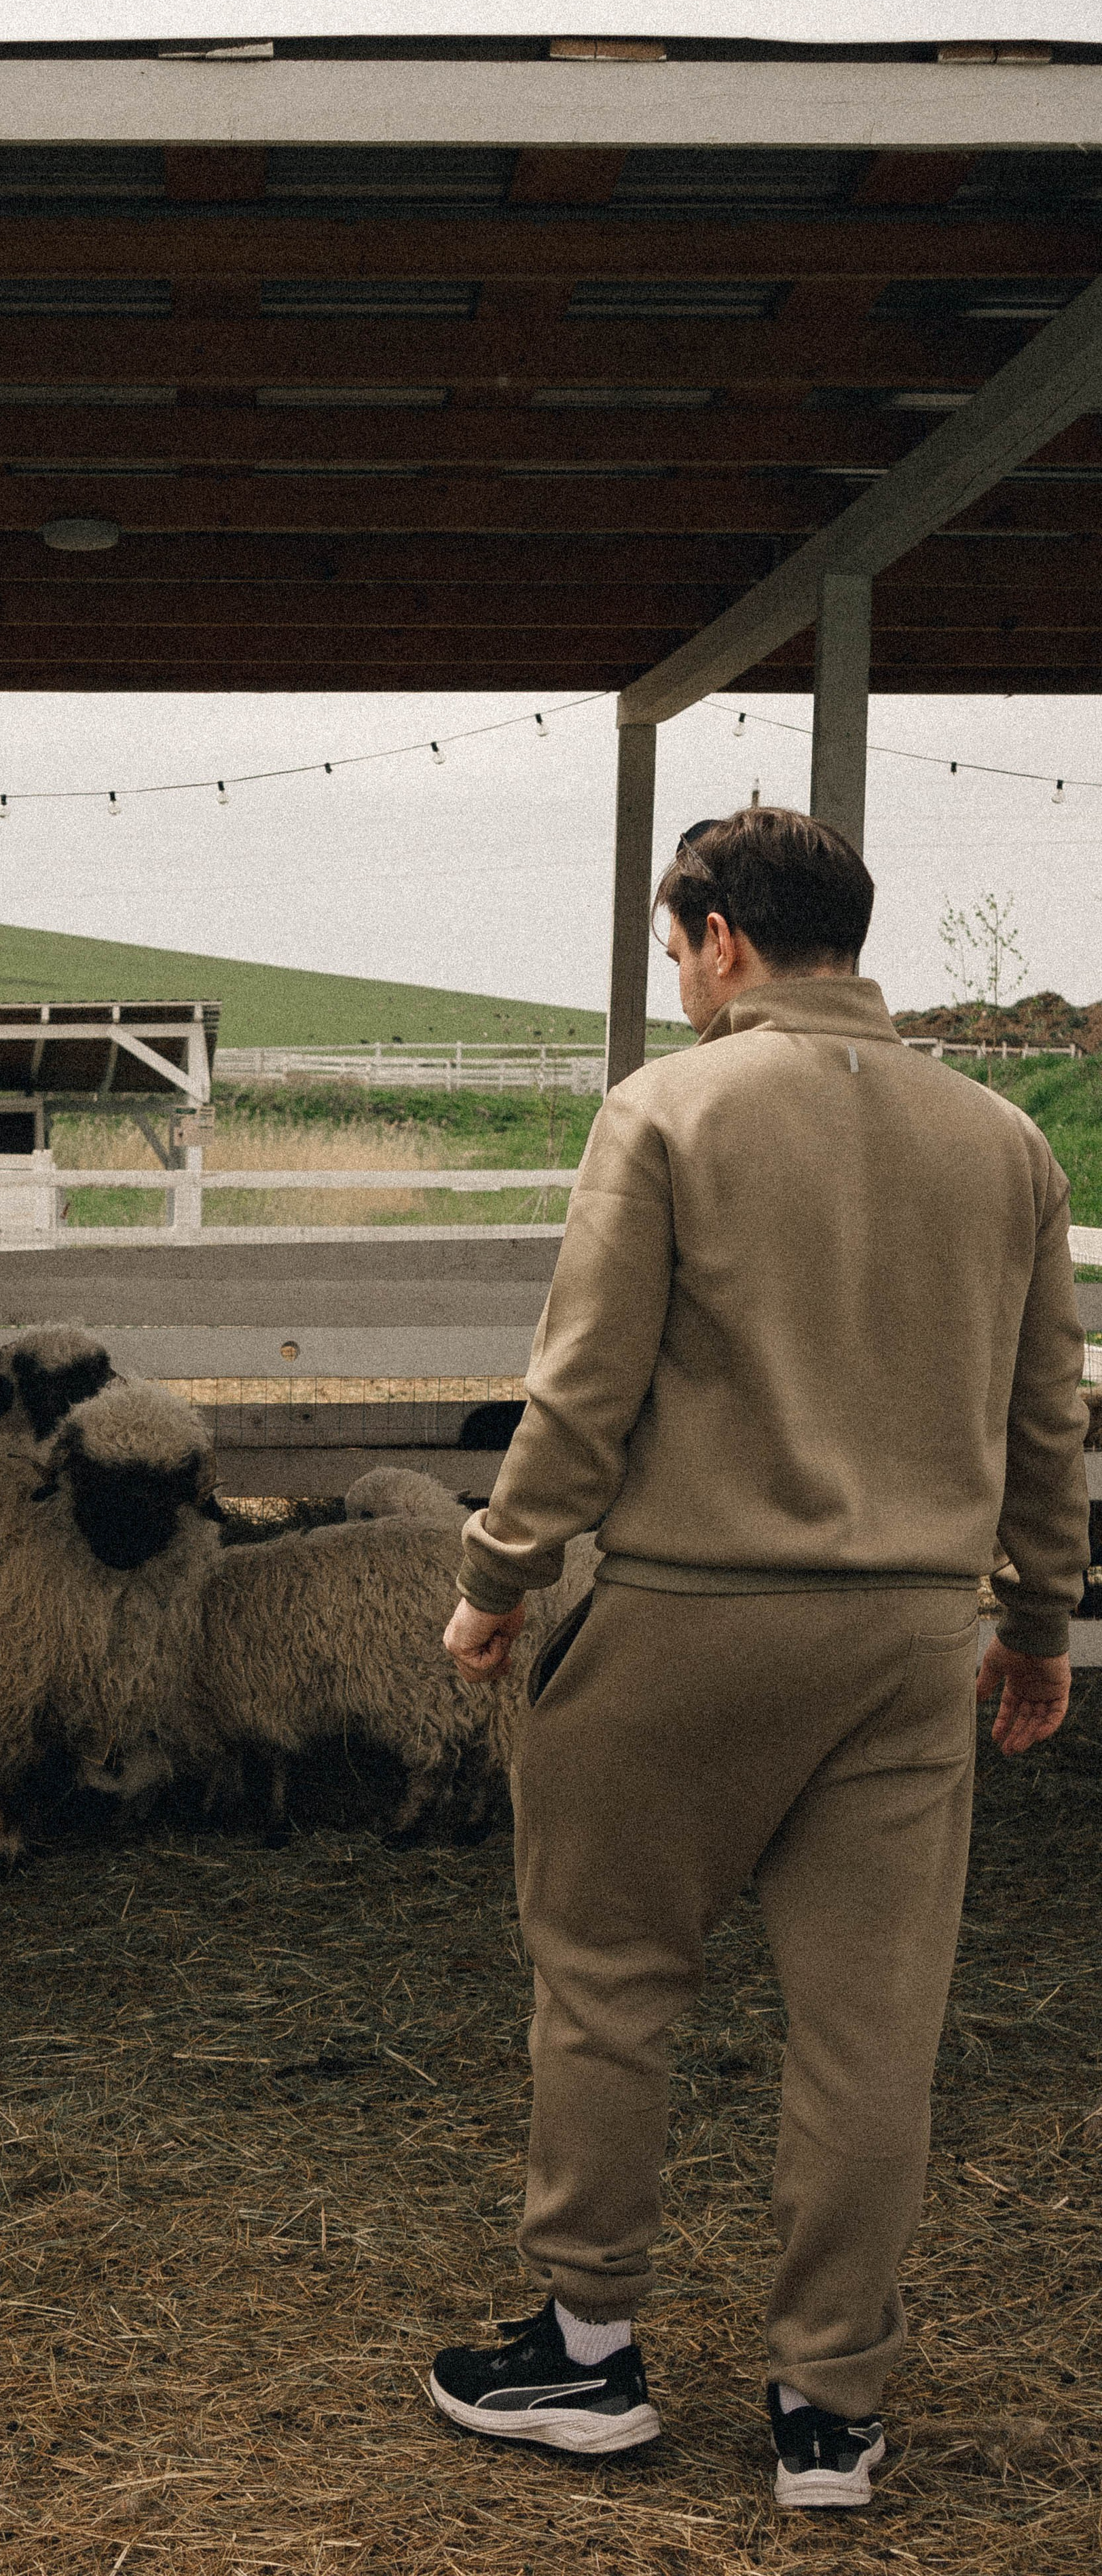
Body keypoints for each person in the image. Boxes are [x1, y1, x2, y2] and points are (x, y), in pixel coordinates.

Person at [430, 806, 1089, 2509]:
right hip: (902, 1646)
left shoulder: (667, 1112)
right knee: (870, 2032)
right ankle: (828, 2415)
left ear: (719, 934)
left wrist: (498, 1575)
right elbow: (1044, 1419)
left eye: (674, 950)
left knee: (608, 1979)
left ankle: (585, 2357)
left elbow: (585, 1388)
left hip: (690, 1620)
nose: (677, 979)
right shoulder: (1001, 1142)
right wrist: (1033, 1619)